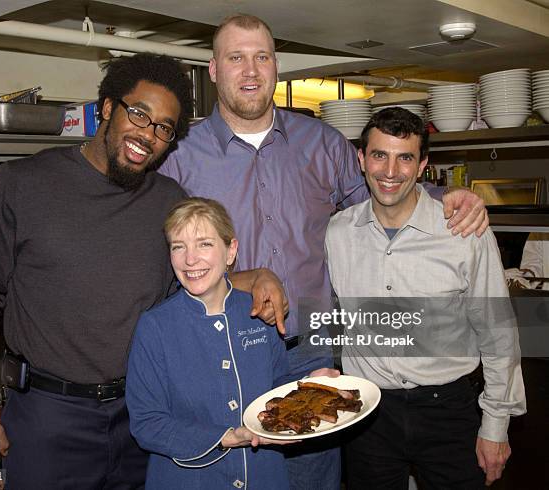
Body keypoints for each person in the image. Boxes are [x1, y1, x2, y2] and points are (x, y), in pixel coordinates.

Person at [158, 13, 490, 489]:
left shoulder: (323, 144)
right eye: (236, 58)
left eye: (262, 57)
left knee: (314, 481)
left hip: (312, 352)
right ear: (213, 70)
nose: (250, 71)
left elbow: (385, 201)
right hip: (225, 351)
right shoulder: (180, 156)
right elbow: (166, 260)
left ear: (276, 66)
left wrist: (445, 196)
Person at [0, 53, 286, 489]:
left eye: (164, 128)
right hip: (49, 416)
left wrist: (254, 277)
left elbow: (186, 286)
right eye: (139, 114)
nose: (149, 134)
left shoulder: (167, 199)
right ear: (107, 107)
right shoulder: (20, 184)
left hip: (140, 415)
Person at [324, 107, 526, 489]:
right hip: (368, 414)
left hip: (448, 410)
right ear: (361, 159)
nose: (390, 171)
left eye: (405, 158)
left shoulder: (464, 232)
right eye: (379, 155)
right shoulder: (338, 233)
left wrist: (496, 426)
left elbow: (498, 334)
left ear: (422, 166)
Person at [127, 197, 301, 489]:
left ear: (231, 251)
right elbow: (146, 423)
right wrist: (225, 437)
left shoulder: (259, 313)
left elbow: (279, 386)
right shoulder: (154, 326)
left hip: (263, 476)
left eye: (204, 244)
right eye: (178, 246)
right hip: (188, 479)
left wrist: (310, 386)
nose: (190, 259)